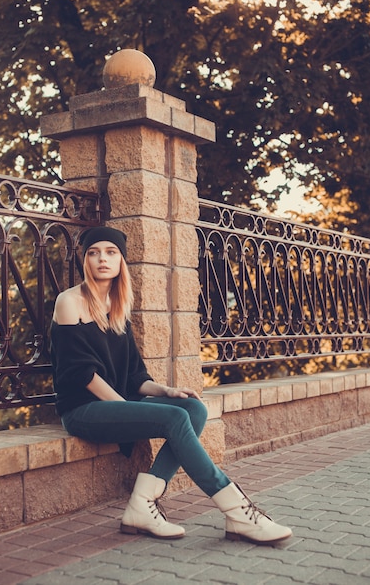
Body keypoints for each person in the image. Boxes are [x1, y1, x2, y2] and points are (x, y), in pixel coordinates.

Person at [50, 226, 292, 544]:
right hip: (83, 410)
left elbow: (135, 376)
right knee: (174, 418)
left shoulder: (117, 306)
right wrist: (127, 412)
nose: (102, 259)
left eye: (111, 252)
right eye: (94, 253)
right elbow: (83, 375)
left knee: (192, 408)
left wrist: (166, 392)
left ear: (121, 260)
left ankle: (142, 504)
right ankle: (237, 510)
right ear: (85, 261)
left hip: (114, 405)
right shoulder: (70, 302)